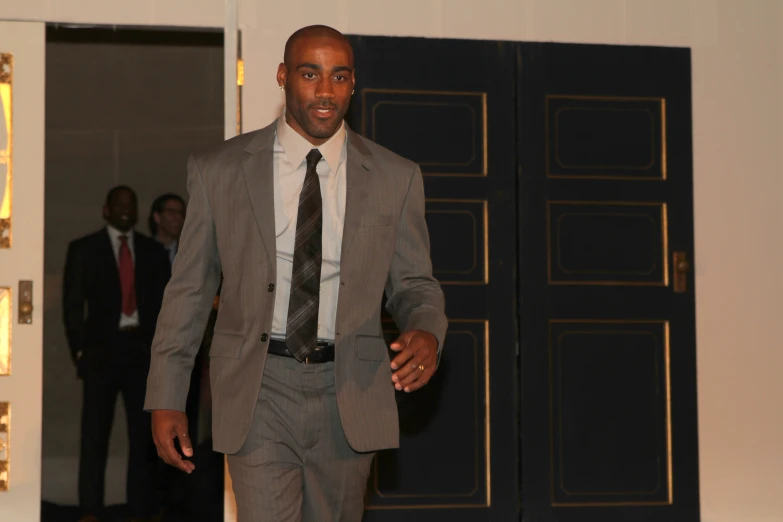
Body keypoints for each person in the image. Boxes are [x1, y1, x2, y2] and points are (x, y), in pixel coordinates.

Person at [144, 25, 447, 521]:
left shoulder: (396, 177)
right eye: (311, 74)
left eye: (340, 76)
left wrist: (428, 331)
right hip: (258, 384)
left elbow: (415, 285)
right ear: (284, 77)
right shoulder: (219, 169)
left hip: (349, 386)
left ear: (353, 84)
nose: (326, 91)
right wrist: (166, 395)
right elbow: (189, 292)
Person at [63, 185, 171, 522]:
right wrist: (79, 351)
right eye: (119, 204)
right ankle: (90, 510)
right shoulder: (84, 249)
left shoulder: (153, 251)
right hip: (99, 355)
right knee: (95, 434)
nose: (126, 209)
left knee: (143, 437)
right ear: (106, 209)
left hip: (141, 353)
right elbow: (71, 305)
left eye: (131, 204)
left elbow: (166, 305)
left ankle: (140, 509)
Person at [148, 193, 186, 266]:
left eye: (181, 213)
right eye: (171, 212)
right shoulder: (143, 251)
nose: (178, 217)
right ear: (157, 217)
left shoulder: (188, 251)